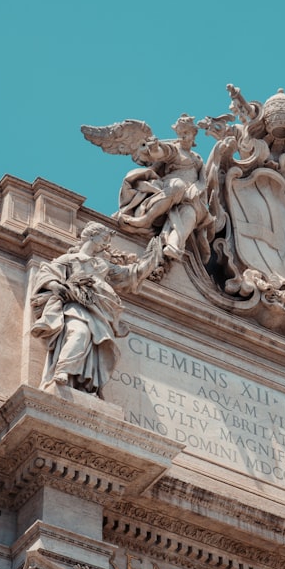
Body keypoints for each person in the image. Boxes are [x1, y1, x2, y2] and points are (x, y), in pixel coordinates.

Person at [30, 222, 161, 398]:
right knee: (79, 332)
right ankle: (63, 371)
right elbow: (46, 272)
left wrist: (152, 258)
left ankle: (82, 383)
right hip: (76, 306)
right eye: (104, 238)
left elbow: (131, 274)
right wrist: (55, 285)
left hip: (101, 312)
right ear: (91, 236)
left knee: (93, 341)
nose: (106, 243)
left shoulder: (103, 265)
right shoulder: (69, 260)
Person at [114, 114, 207, 260]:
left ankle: (173, 245)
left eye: (186, 133)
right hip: (171, 186)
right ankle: (145, 219)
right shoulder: (175, 149)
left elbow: (204, 179)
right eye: (180, 133)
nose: (183, 136)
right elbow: (161, 153)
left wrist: (198, 188)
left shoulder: (197, 158)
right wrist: (155, 147)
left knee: (191, 214)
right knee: (178, 185)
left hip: (189, 196)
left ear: (193, 134)